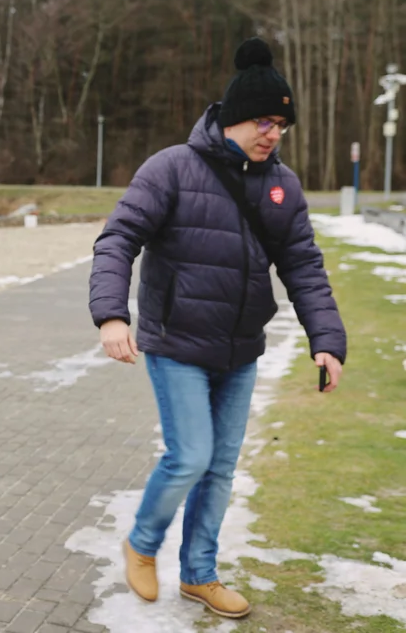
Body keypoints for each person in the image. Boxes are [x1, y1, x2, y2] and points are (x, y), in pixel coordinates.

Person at [88, 37, 347, 619]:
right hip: (177, 342)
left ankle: (200, 575)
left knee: (221, 466)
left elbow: (304, 266)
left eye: (281, 122)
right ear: (232, 119)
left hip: (240, 350)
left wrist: (327, 341)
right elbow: (118, 239)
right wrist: (111, 313)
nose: (273, 132)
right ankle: (142, 544)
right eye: (263, 119)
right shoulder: (172, 168)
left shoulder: (283, 186)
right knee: (191, 456)